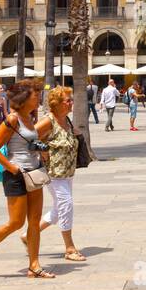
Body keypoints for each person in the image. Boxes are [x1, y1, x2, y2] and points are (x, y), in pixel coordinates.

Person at [0, 79, 54, 279]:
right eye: (35, 94)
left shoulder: (30, 119)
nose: (38, 98)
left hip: (34, 173)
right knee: (16, 223)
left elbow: (27, 144)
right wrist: (12, 167)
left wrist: (41, 153)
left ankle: (34, 265)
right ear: (24, 98)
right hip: (16, 175)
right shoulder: (13, 119)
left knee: (34, 222)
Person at [35, 86, 86, 262]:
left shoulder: (66, 120)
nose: (72, 103)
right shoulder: (48, 121)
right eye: (68, 100)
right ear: (56, 104)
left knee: (59, 208)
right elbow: (27, 138)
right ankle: (70, 248)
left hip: (68, 172)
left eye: (71, 99)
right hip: (53, 173)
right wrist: (41, 150)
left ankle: (29, 235)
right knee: (66, 204)